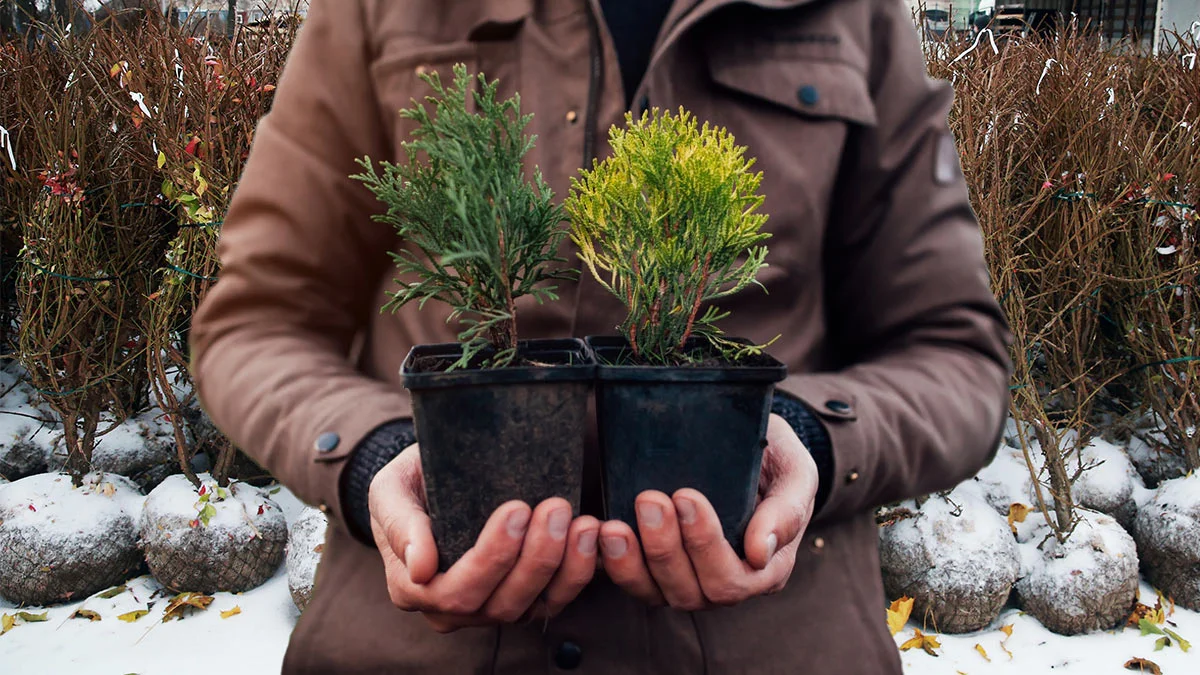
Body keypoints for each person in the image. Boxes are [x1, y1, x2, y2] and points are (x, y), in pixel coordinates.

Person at [191, 0, 1012, 672]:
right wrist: (374, 456)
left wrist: (806, 437)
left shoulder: (854, 16)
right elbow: (256, 321)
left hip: (773, 642)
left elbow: (954, 353)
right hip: (418, 647)